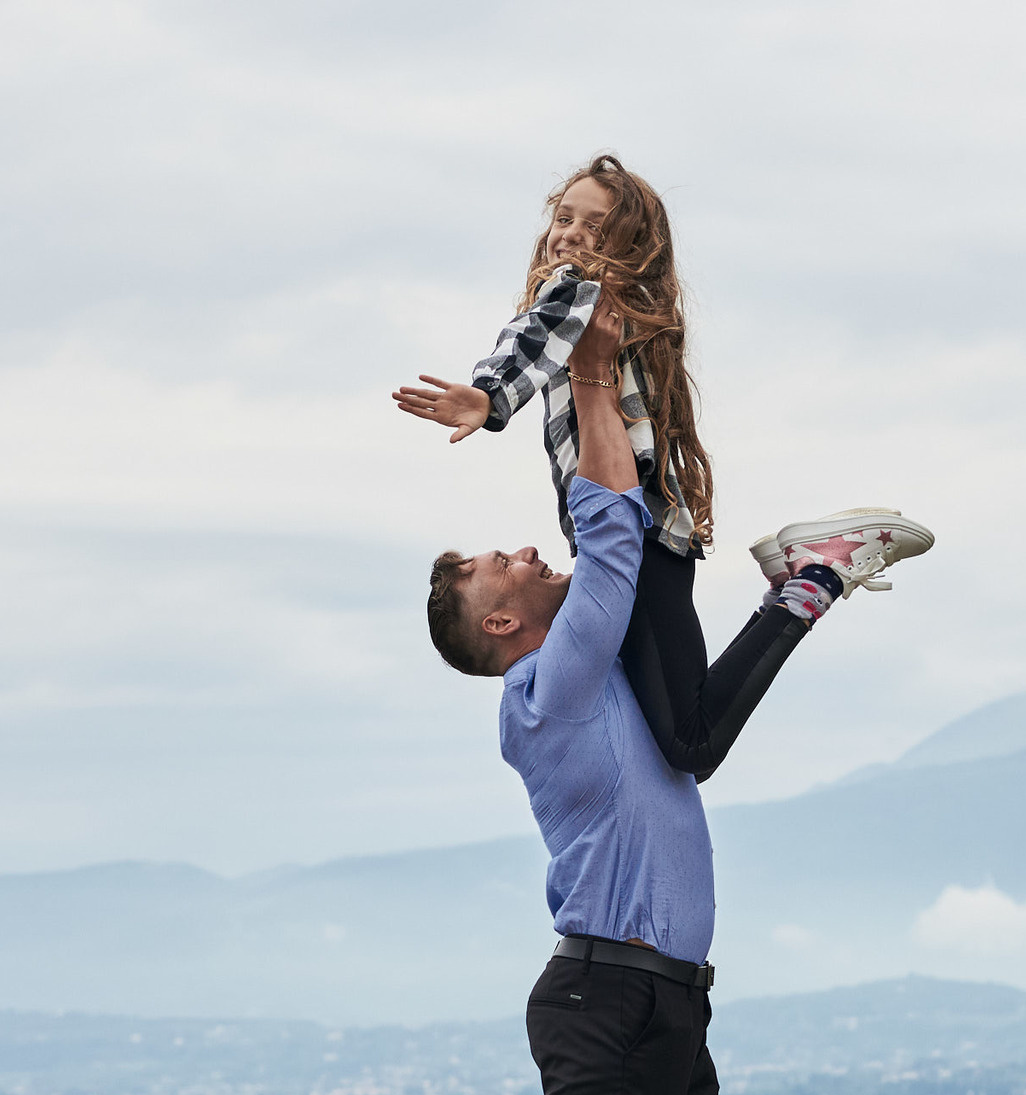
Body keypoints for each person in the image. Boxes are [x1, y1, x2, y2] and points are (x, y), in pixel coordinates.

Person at [421, 287, 934, 1095]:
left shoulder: (612, 688)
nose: (516, 554)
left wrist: (610, 377)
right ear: (500, 627)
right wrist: (589, 380)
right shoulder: (543, 692)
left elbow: (665, 654)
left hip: (667, 1002)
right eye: (500, 564)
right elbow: (605, 547)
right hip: (603, 1000)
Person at [394, 154, 932, 783]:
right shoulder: (626, 309)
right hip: (644, 534)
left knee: (691, 743)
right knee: (676, 730)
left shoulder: (576, 292)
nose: (568, 233)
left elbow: (532, 337)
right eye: (562, 218)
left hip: (633, 538)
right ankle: (794, 585)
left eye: (592, 225)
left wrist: (490, 398)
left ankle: (812, 581)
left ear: (627, 244)